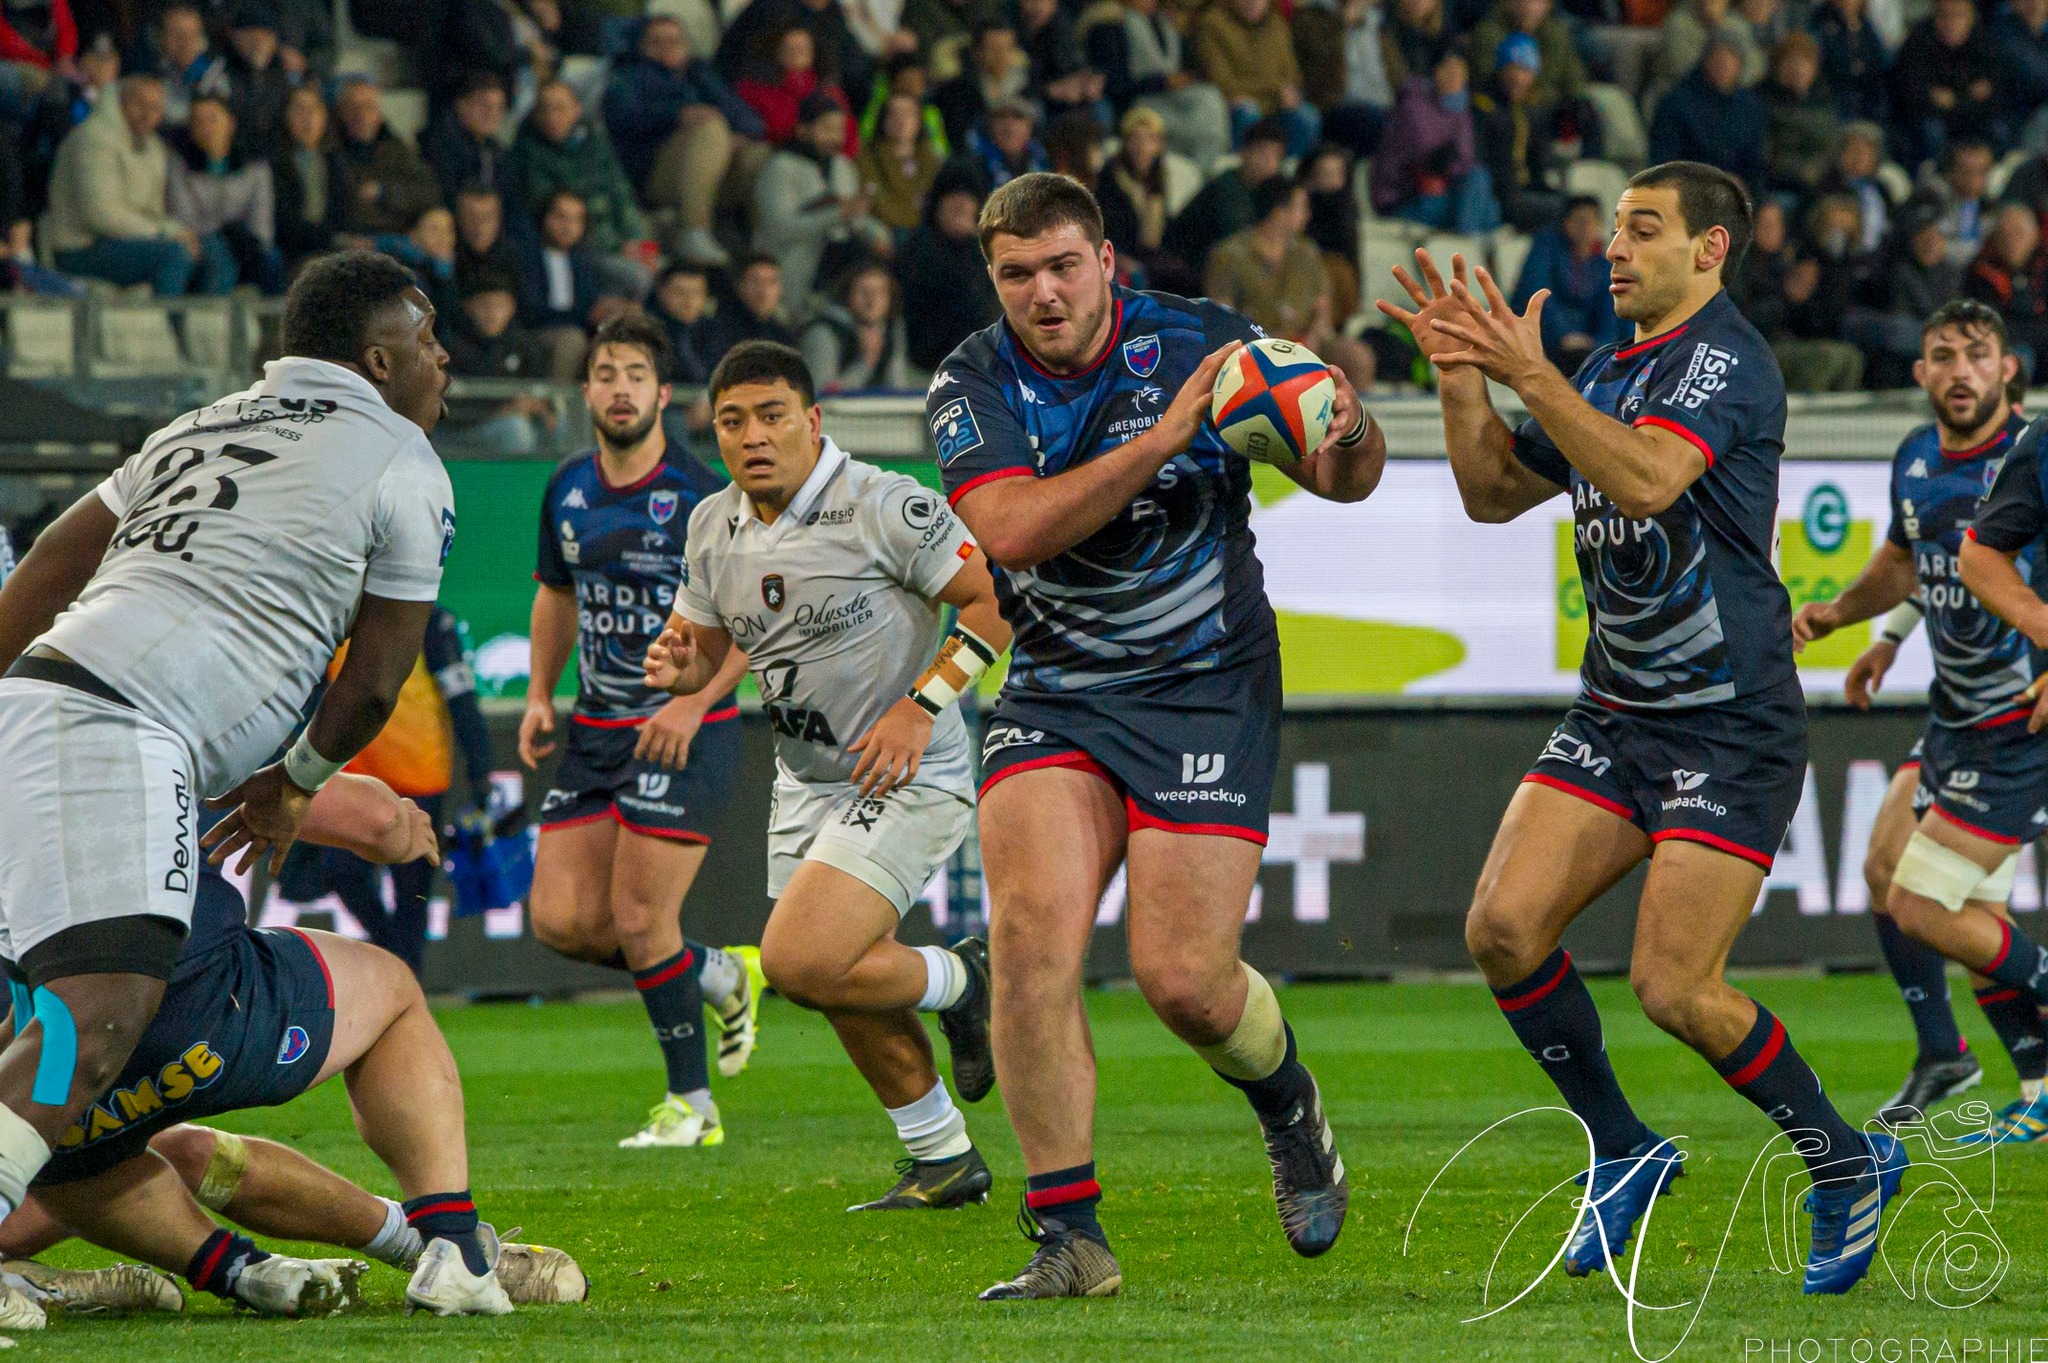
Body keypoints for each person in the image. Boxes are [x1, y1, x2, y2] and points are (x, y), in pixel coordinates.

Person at [1379, 161, 1908, 1295]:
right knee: (1501, 929)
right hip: (1618, 707)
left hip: (1728, 719)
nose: (1613, 248)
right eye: (1613, 230)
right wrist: (1462, 375)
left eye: (1641, 230)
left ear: (1708, 251)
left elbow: (1652, 478)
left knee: (1676, 988)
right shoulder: (1608, 366)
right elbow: (1488, 491)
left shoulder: (1725, 361)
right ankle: (1620, 1146)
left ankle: (1843, 1159)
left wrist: (1531, 373)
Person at [935, 172, 1383, 1298]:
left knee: (1182, 979)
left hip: (1204, 682)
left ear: (1105, 262)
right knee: (1031, 937)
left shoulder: (1204, 340)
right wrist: (1173, 431)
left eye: (1061, 266)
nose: (1041, 292)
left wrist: (1343, 422)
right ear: (994, 280)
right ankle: (1069, 1238)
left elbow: (1342, 481)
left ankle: (1287, 1106)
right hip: (1056, 686)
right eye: (1015, 274)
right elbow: (1012, 530)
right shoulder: (971, 380)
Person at [0, 250, 472, 1309]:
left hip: (46, 706)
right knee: (97, 1014)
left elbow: (44, 571)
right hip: (121, 722)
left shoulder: (200, 423)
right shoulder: (401, 459)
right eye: (431, 340)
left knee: (74, 1039)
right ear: (380, 356)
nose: (446, 360)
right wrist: (293, 783)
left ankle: (256, 1269)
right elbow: (376, 681)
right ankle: (445, 1241)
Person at [0, 771, 585, 1319]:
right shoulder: (127, 702)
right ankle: (453, 1242)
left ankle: (253, 1271)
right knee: (392, 993)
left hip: (46, 1060)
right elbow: (367, 817)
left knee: (78, 1152)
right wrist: (401, 827)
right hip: (193, 1012)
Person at [644, 339, 1007, 1208]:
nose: (751, 436)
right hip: (805, 778)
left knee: (801, 958)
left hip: (905, 770)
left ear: (812, 421)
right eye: (731, 421)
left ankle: (964, 980)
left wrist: (921, 704)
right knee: (840, 975)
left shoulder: (886, 504)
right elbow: (705, 651)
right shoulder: (710, 524)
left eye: (771, 416)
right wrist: (677, 664)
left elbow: (995, 601)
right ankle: (943, 1156)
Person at [1791, 299, 2047, 1132]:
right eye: (1944, 355)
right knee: (1887, 870)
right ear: (1920, 371)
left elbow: (1997, 566)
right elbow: (1912, 561)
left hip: (2023, 714)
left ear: (2009, 367)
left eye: (1978, 355)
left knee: (1928, 902)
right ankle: (1962, 1058)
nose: (1961, 370)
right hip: (1955, 709)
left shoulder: (2029, 454)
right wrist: (1868, 628)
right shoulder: (1914, 456)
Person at [520, 312, 752, 1150]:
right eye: (606, 373)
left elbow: (758, 621)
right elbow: (557, 592)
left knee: (640, 916)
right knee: (561, 921)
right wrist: (542, 694)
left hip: (685, 729)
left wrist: (694, 702)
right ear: (585, 391)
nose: (620, 388)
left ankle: (693, 1104)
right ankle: (716, 970)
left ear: (663, 393)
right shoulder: (568, 487)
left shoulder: (702, 498)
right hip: (594, 729)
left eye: (635, 374)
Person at [312, 605, 493, 974]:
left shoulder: (431, 621)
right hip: (355, 773)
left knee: (412, 895)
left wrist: (481, 769)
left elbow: (461, 697)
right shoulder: (337, 615)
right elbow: (314, 694)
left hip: (419, 777)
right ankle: (395, 956)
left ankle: (404, 979)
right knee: (341, 870)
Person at [602, 15, 765, 268]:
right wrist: (678, 115)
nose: (667, 48)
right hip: (653, 171)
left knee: (756, 152)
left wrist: (735, 137)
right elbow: (623, 114)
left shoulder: (700, 74)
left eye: (674, 41)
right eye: (657, 42)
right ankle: (694, 231)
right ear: (641, 46)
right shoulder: (630, 74)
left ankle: (761, 241)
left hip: (711, 172)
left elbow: (752, 121)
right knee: (710, 128)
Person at [1204, 176, 1374, 390]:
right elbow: (1222, 315)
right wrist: (1262, 343)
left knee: (1357, 357)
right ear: (1279, 212)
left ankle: (1353, 419)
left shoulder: (1307, 252)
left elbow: (1323, 309)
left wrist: (1311, 338)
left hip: (1306, 346)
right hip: (1253, 351)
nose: (1308, 215)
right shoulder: (1228, 255)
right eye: (1301, 207)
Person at [40, 74, 198, 296]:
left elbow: (154, 212)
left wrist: (177, 232)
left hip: (127, 242)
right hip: (80, 248)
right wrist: (166, 232)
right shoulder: (93, 139)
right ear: (121, 101)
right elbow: (100, 215)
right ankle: (168, 328)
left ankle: (209, 329)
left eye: (155, 108)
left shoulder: (153, 148)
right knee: (172, 255)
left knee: (210, 251)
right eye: (139, 104)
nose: (147, 114)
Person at [514, 78, 656, 303]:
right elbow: (558, 218)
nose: (552, 117)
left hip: (617, 241)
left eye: (560, 109)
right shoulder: (529, 153)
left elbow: (621, 192)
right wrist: (618, 247)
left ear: (576, 110)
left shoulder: (595, 142)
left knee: (660, 263)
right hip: (583, 249)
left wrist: (636, 239)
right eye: (545, 110)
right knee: (638, 277)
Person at [753, 91, 891, 310]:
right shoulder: (780, 167)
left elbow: (855, 218)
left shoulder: (843, 166)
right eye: (827, 128)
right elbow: (781, 228)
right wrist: (838, 214)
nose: (835, 137)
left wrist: (877, 234)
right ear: (803, 130)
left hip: (837, 258)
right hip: (793, 262)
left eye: (839, 130)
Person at [1085, 0, 1230, 169]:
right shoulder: (1109, 25)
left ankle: (1204, 166)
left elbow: (1192, 65)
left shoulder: (1164, 24)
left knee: (1209, 97)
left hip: (1171, 99)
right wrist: (1162, 83)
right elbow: (1113, 85)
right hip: (1137, 101)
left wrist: (1184, 78)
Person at [166, 93, 282, 295]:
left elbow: (262, 222)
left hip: (246, 241)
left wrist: (245, 239)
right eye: (198, 121)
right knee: (219, 259)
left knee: (272, 260)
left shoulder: (254, 165)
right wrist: (224, 233)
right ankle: (211, 324)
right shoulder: (180, 164)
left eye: (213, 119)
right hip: (203, 240)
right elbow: (184, 217)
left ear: (230, 123)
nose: (206, 127)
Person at [1370, 52, 1499, 233]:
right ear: (1436, 71)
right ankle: (1465, 243)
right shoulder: (1414, 103)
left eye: (1460, 73)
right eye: (1449, 70)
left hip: (1440, 192)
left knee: (1489, 205)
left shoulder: (1460, 109)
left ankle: (1465, 238)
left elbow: (1463, 158)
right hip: (1404, 197)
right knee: (1481, 201)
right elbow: (1430, 158)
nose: (1453, 77)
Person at [1510, 193, 1626, 374]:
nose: (1586, 227)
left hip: (1586, 348)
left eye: (1592, 221)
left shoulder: (1604, 265)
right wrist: (1564, 335)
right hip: (1545, 339)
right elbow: (1536, 291)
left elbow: (1609, 311)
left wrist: (1602, 345)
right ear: (1566, 223)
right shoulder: (1545, 246)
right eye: (1579, 220)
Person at [1163, 115, 1286, 281]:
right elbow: (1236, 242)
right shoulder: (1224, 189)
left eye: (1275, 156)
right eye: (1262, 153)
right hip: (1197, 274)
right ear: (1243, 152)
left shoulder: (1270, 191)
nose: (1268, 162)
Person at [1194, 0, 1319, 156]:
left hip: (1276, 104)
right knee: (1247, 111)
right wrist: (1275, 88)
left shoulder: (1276, 23)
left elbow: (1292, 74)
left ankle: (1286, 173)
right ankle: (1242, 170)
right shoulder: (1213, 23)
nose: (1253, 3)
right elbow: (1220, 81)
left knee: (1307, 116)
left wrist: (1291, 93)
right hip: (1234, 104)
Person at [899, 181, 998, 370]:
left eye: (968, 199)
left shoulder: (985, 253)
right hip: (923, 367)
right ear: (937, 206)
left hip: (976, 366)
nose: (960, 205)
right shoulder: (917, 249)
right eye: (952, 198)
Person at [1647, 37, 1767, 191]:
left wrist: (1757, 194)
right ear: (1705, 61)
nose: (1723, 66)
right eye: (1717, 59)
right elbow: (1665, 160)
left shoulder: (1750, 107)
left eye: (1729, 61)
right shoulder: (1676, 103)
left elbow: (1756, 162)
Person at [333, 77, 444, 237]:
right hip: (351, 238)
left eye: (369, 107)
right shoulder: (331, 151)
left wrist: (384, 192)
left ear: (379, 113)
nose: (361, 115)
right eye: (354, 107)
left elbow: (428, 191)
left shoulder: (396, 149)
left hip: (397, 236)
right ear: (341, 112)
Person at [803, 259, 921, 392]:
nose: (872, 300)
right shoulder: (824, 332)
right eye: (863, 291)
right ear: (847, 294)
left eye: (880, 292)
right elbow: (819, 394)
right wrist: (865, 363)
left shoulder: (892, 329)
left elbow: (897, 383)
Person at [273, 83, 341, 269]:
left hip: (335, 247)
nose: (308, 118)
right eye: (300, 110)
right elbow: (283, 221)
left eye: (314, 110)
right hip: (296, 252)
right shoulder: (275, 163)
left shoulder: (334, 160)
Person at [421, 71, 514, 207]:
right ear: (461, 105)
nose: (492, 114)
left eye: (499, 107)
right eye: (484, 105)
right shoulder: (439, 147)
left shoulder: (496, 151)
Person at [859, 88, 944, 231]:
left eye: (908, 114)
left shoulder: (934, 163)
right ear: (883, 120)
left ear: (919, 121)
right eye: (893, 114)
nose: (901, 120)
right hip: (886, 233)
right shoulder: (866, 159)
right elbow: (872, 201)